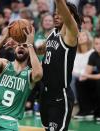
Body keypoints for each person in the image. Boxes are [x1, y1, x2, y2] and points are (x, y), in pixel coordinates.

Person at [0, 25, 43, 131]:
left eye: (24, 46)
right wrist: (3, 39)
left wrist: (30, 45)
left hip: (9, 122)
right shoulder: (4, 64)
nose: (21, 47)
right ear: (14, 49)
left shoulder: (29, 74)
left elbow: (38, 74)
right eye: (19, 45)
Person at [39, 0, 80, 131]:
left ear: (70, 16)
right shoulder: (52, 33)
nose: (56, 16)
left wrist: (59, 3)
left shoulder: (71, 33)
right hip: (45, 93)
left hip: (60, 96)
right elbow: (40, 50)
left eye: (60, 13)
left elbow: (62, 6)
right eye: (55, 14)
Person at [80, 33, 100, 123]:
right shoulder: (93, 55)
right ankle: (87, 110)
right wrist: (84, 77)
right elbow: (87, 72)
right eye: (96, 44)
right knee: (81, 81)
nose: (99, 46)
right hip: (98, 78)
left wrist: (87, 75)